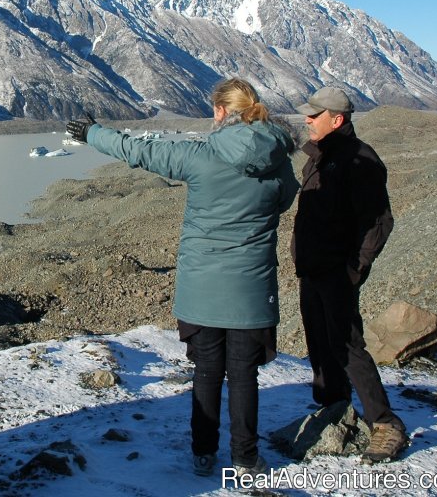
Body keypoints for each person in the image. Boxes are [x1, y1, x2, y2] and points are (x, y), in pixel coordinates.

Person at [66, 78, 299, 478]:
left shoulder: (200, 155)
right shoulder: (280, 160)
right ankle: (245, 458)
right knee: (244, 376)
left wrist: (92, 132)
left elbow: (139, 151)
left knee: (208, 371)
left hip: (202, 286)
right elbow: (284, 200)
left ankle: (203, 453)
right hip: (251, 288)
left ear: (222, 111)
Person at [289, 86, 407, 464]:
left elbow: (379, 222)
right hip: (312, 269)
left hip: (336, 271)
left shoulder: (359, 159)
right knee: (319, 340)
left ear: (336, 119)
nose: (307, 119)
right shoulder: (321, 156)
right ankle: (334, 405)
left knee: (347, 344)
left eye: (315, 114)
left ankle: (385, 423)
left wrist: (354, 269)